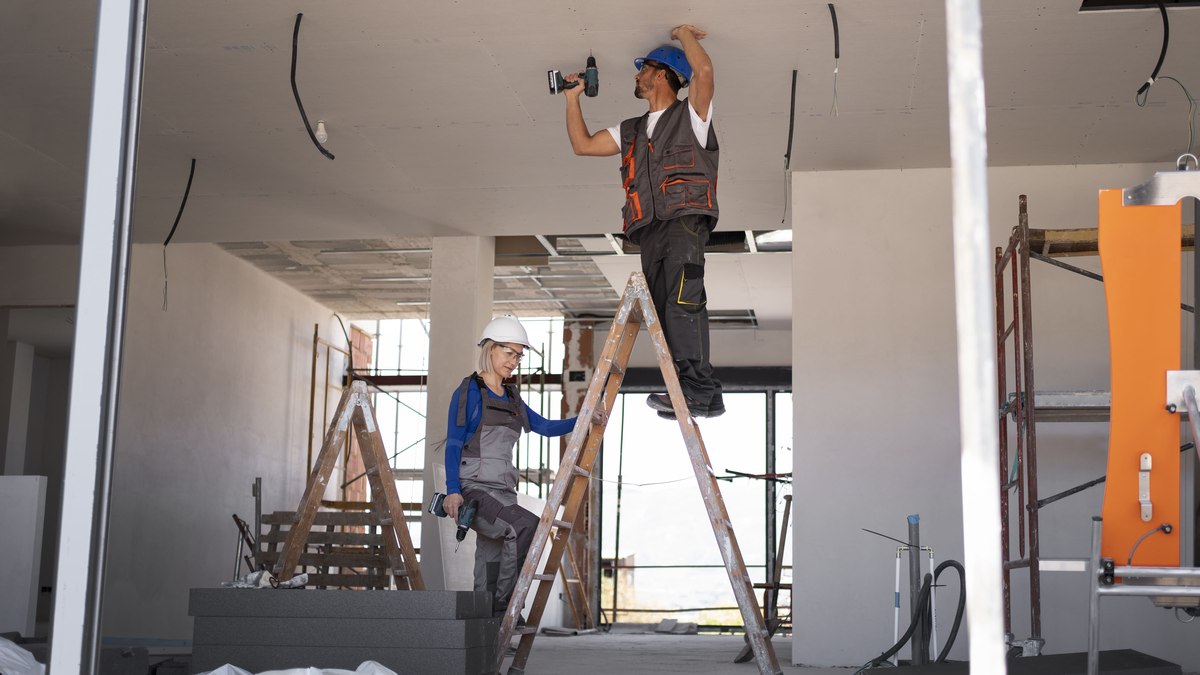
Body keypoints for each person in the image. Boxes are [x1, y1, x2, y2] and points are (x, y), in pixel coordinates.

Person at [563, 24, 724, 420]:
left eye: (643, 69)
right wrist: (572, 99)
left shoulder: (693, 115)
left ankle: (699, 391)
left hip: (684, 222)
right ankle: (697, 392)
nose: (637, 75)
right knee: (663, 314)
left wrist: (684, 35)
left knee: (682, 304)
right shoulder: (630, 130)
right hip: (648, 230)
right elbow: (583, 145)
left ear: (663, 75)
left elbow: (703, 74)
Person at [441, 316, 600, 618]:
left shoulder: (512, 397)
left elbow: (544, 426)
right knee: (525, 525)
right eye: (508, 353)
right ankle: (506, 608)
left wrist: (585, 419)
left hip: (504, 493)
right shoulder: (469, 392)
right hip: (475, 489)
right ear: (490, 349)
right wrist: (452, 491)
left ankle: (486, 628)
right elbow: (452, 443)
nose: (514, 361)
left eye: (519, 355)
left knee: (491, 562)